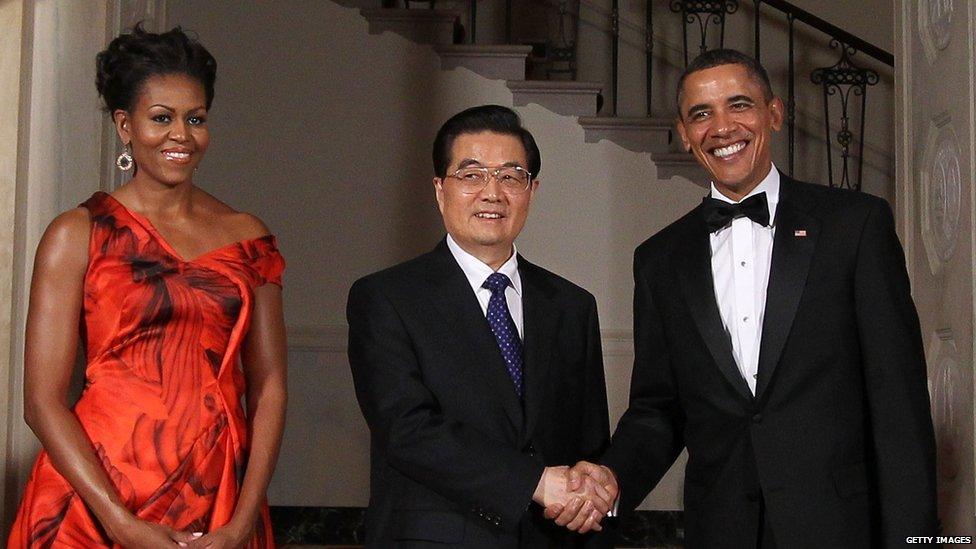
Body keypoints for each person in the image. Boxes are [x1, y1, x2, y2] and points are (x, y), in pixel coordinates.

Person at [553, 49, 938, 547]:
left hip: (840, 529)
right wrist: (611, 480)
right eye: (700, 114)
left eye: (739, 105)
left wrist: (916, 541)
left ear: (773, 113)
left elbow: (898, 406)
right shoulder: (659, 259)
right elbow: (658, 410)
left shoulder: (855, 226)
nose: (722, 127)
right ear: (686, 133)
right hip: (720, 530)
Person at [9, 24, 286, 548]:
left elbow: (269, 384)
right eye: (161, 118)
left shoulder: (249, 238)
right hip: (94, 500)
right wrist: (120, 522)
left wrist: (245, 516)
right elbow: (41, 402)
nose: (180, 135)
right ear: (125, 126)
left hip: (217, 494)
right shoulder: (78, 234)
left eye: (195, 118)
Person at [347, 105, 615, 547]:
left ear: (532, 190)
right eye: (471, 175)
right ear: (439, 189)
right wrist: (535, 482)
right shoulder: (386, 298)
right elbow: (407, 431)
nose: (493, 193)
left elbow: (589, 444)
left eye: (511, 176)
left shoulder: (572, 305)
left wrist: (590, 494)